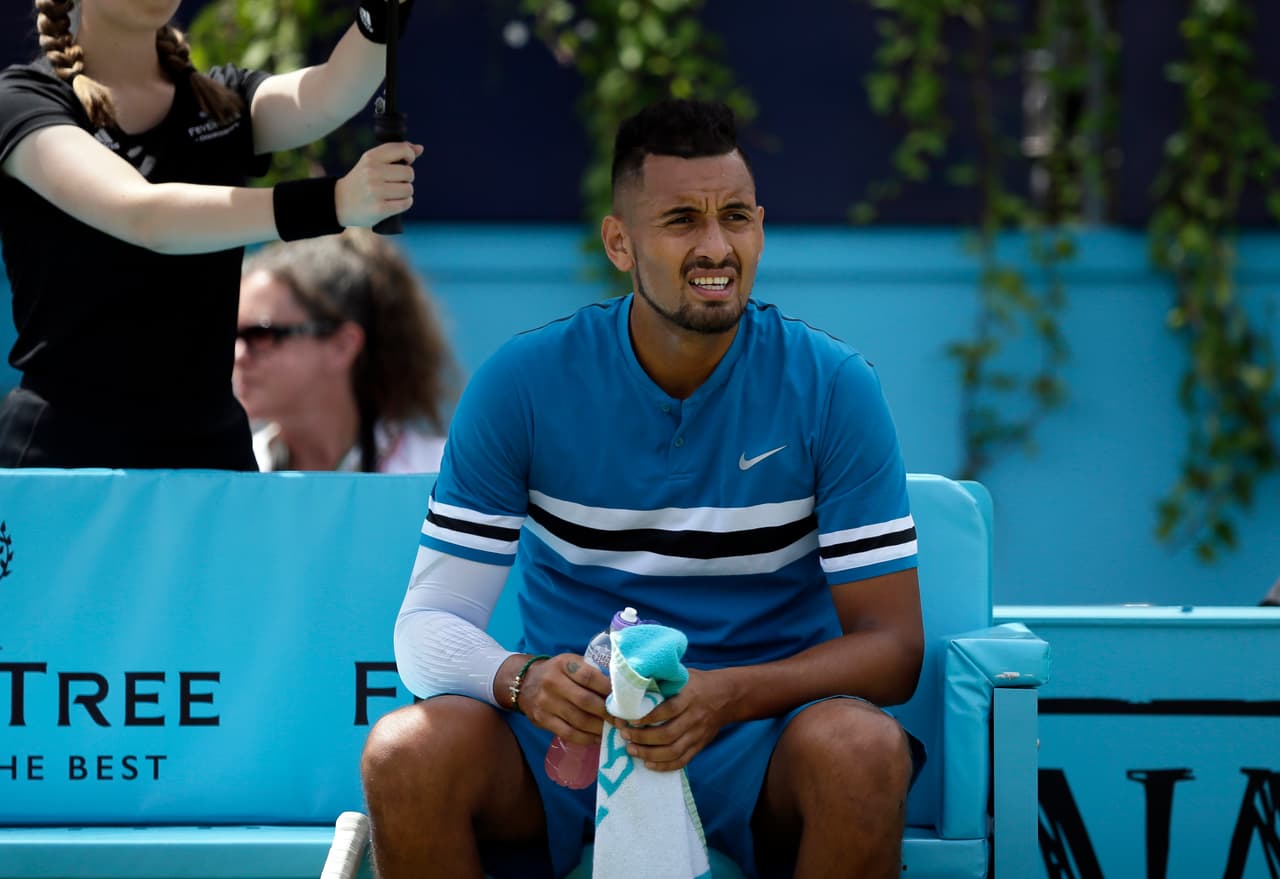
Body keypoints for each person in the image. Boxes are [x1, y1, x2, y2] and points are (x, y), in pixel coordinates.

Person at [361, 99, 925, 879]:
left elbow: (894, 651)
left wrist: (727, 695)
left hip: (756, 737)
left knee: (863, 750)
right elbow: (426, 625)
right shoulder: (521, 385)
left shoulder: (834, 387)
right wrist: (522, 680)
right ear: (619, 242)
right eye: (682, 221)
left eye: (736, 216)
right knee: (404, 752)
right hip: (572, 739)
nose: (716, 246)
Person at [0, 0, 421, 469]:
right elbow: (144, 216)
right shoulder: (22, 100)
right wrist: (335, 202)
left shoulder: (218, 100)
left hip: (213, 458)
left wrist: (378, 17)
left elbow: (331, 93)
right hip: (63, 460)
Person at [233, 229, 457, 473]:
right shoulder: (229, 476)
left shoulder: (440, 476)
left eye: (261, 335)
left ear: (342, 345)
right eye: (232, 336)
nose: (237, 356)